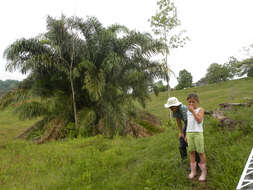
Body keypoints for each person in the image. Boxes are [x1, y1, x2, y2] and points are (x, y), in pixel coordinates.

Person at [164, 97, 200, 167]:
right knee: (181, 141)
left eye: (171, 107)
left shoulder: (183, 109)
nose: (170, 109)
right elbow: (178, 120)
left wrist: (187, 134)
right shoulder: (175, 110)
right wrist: (181, 132)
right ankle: (184, 160)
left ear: (176, 105)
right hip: (187, 124)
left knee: (191, 143)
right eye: (169, 107)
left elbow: (189, 121)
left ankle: (197, 163)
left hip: (193, 125)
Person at [185, 93, 207, 181]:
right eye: (189, 102)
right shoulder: (188, 111)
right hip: (190, 133)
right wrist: (186, 133)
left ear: (197, 102)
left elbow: (199, 120)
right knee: (191, 152)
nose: (191, 104)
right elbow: (189, 124)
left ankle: (204, 172)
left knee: (200, 152)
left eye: (193, 102)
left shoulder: (200, 109)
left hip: (198, 133)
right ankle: (193, 171)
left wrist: (193, 111)